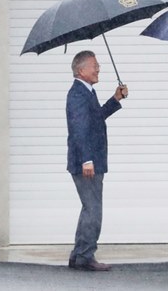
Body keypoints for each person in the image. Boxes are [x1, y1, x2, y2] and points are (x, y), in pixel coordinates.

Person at [66, 50, 128, 272]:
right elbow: (79, 128)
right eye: (94, 65)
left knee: (89, 208)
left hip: (91, 160)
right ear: (81, 70)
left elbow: (95, 119)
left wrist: (115, 99)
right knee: (93, 209)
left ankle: (79, 254)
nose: (99, 68)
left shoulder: (87, 92)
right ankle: (85, 255)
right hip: (86, 162)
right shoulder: (77, 95)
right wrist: (87, 160)